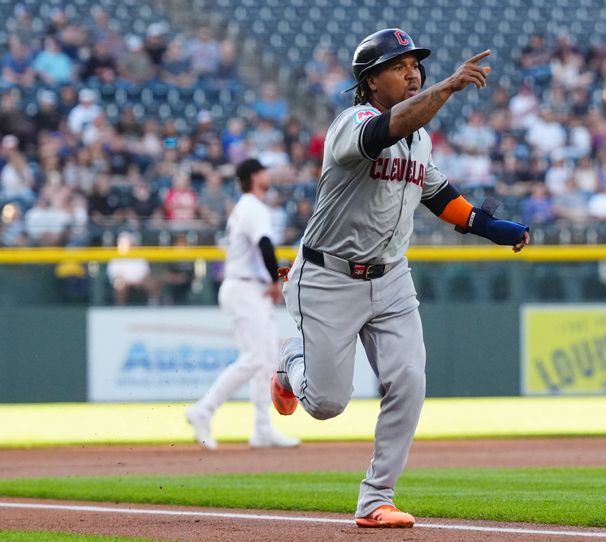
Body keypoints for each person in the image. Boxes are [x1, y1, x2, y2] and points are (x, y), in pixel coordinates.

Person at [270, 28, 529, 529]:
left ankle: (376, 499)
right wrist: (449, 88)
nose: (412, 72)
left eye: (416, 65)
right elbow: (380, 135)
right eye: (398, 66)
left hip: (391, 279)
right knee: (326, 404)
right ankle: (290, 363)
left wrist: (493, 226)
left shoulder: (421, 137)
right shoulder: (353, 123)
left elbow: (440, 196)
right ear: (369, 82)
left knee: (408, 381)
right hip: (329, 278)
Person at [186, 158, 300, 451]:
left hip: (251, 288)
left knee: (265, 360)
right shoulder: (252, 205)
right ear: (253, 176)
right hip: (243, 287)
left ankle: (262, 429)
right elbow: (264, 245)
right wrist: (277, 282)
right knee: (255, 358)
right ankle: (204, 409)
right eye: (262, 170)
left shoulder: (247, 207)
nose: (267, 174)